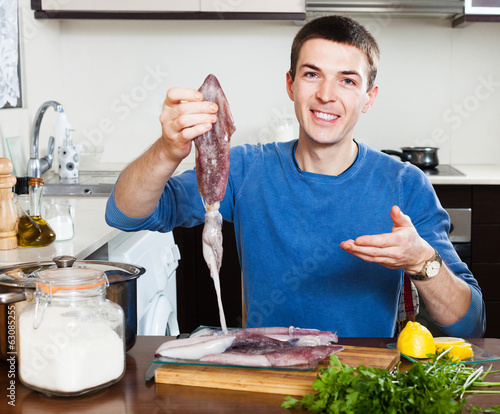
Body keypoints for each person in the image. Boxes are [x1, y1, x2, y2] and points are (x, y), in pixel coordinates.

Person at [106, 15, 485, 338]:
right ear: (290, 84)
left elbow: (469, 323)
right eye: (312, 74)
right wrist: (167, 149)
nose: (326, 94)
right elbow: (126, 214)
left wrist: (422, 261)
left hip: (363, 381)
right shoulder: (245, 169)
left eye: (347, 80)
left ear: (369, 97)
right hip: (268, 378)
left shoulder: (404, 183)